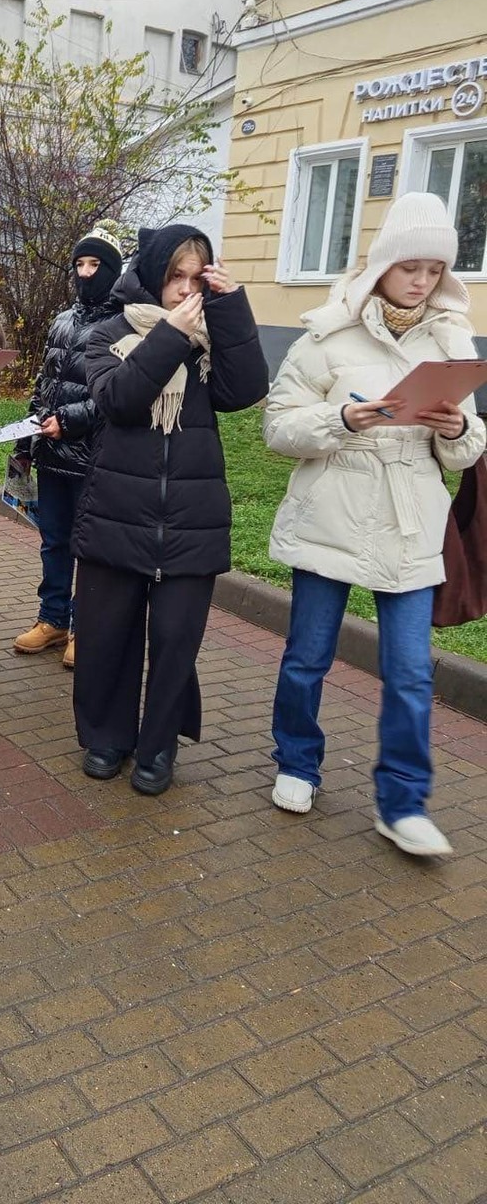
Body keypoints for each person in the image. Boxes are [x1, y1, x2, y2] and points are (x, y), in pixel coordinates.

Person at [264, 192, 486, 858]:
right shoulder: (326, 334)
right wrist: (343, 420)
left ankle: (402, 801)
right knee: (307, 659)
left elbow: (468, 447)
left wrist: (456, 429)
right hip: (331, 513)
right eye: (410, 266)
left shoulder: (452, 341)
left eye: (433, 269)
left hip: (410, 523)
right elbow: (277, 427)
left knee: (412, 672)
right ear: (383, 264)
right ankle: (297, 764)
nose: (421, 280)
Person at [71, 224, 269, 793]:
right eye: (174, 278)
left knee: (176, 641)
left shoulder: (211, 338)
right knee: (108, 634)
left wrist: (230, 310)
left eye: (195, 278)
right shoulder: (109, 332)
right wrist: (173, 338)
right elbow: (120, 400)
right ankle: (108, 737)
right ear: (153, 278)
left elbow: (245, 391)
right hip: (117, 509)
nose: (185, 291)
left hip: (190, 516)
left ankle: (159, 747)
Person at [13, 225, 124, 668]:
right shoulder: (62, 320)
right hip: (52, 452)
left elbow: (119, 394)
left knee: (88, 545)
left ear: (112, 270)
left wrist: (72, 420)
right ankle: (53, 619)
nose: (84, 272)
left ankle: (85, 627)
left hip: (93, 455)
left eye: (94, 265)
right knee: (53, 540)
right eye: (79, 264)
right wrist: (29, 429)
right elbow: (46, 382)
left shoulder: (122, 323)